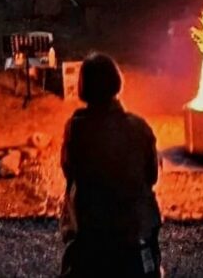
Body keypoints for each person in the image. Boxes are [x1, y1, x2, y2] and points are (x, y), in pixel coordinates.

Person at [60, 53, 162, 278]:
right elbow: (152, 176)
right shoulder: (139, 127)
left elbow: (69, 172)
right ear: (117, 82)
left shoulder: (75, 129)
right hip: (134, 231)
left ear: (83, 86)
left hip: (93, 231)